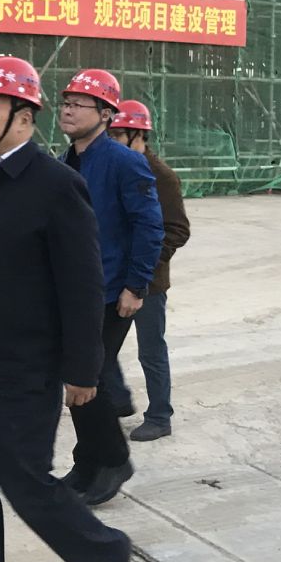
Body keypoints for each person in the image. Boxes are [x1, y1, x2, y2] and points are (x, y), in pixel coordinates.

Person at [0, 56, 132, 562]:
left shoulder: (56, 185)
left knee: (26, 482)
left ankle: (105, 557)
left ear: (24, 117)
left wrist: (83, 369)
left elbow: (82, 284)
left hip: (22, 367)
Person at [57, 70, 164, 506]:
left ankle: (115, 460)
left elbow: (150, 226)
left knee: (92, 377)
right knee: (77, 379)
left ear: (105, 114)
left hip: (110, 292)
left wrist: (136, 286)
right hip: (73, 290)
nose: (67, 110)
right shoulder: (65, 162)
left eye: (78, 104)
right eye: (65, 102)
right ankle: (87, 463)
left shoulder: (125, 162)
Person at [103, 100, 190, 442]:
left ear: (137, 135)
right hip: (113, 276)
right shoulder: (116, 168)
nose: (110, 141)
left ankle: (160, 416)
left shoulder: (161, 176)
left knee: (151, 350)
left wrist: (146, 261)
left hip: (149, 282)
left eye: (116, 135)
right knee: (100, 346)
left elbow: (178, 230)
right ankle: (119, 399)